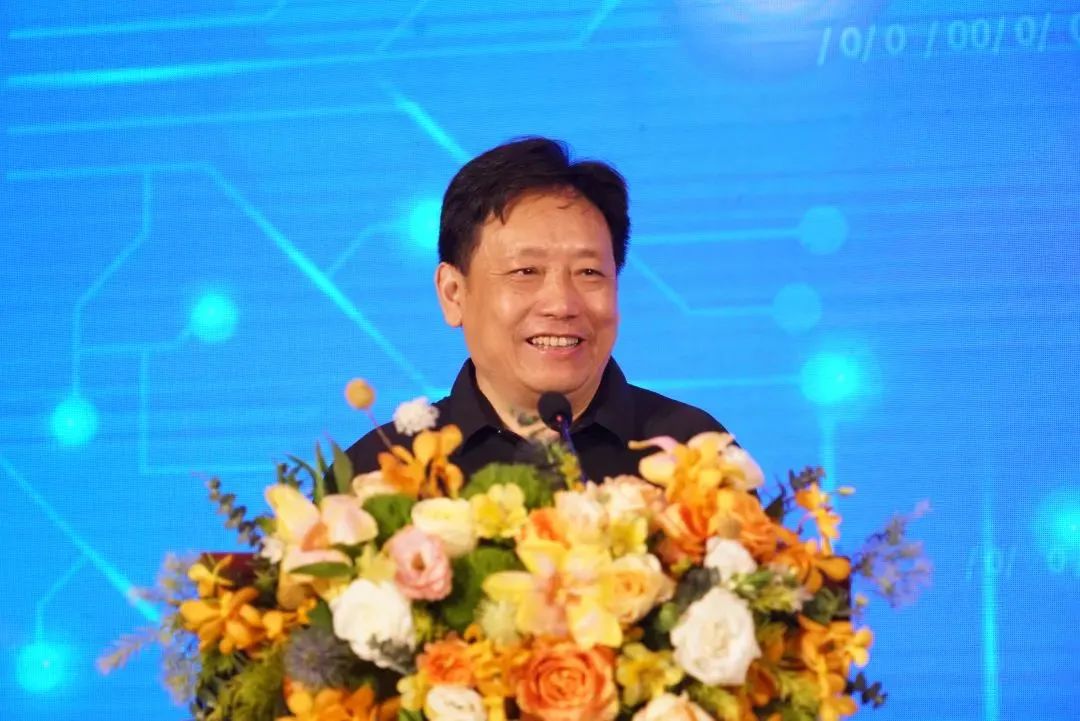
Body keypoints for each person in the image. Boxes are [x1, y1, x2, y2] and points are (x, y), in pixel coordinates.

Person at [342, 136, 732, 483]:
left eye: (589, 272)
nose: (561, 304)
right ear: (453, 293)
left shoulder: (694, 459)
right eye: (525, 272)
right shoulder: (381, 474)